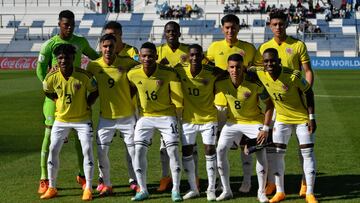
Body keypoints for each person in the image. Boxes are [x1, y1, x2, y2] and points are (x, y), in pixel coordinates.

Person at [36, 9, 99, 194]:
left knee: (81, 140)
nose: (69, 28)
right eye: (66, 25)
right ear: (59, 24)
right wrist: (52, 88)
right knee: (49, 138)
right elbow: (40, 69)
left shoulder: (80, 42)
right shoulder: (50, 45)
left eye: (72, 24)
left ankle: (82, 175)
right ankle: (44, 179)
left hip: (77, 92)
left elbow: (95, 56)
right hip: (56, 96)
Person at [253, 10, 314, 197]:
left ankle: (305, 183)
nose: (278, 27)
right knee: (277, 149)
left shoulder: (297, 45)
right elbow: (257, 72)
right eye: (274, 24)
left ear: (287, 24)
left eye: (281, 24)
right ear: (270, 25)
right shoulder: (264, 47)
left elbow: (308, 71)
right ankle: (274, 185)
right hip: (278, 106)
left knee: (303, 148)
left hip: (298, 101)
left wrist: (305, 89)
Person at [206, 14, 257, 193]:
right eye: (227, 28)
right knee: (220, 146)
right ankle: (221, 183)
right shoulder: (214, 47)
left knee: (245, 145)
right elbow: (207, 68)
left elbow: (257, 70)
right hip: (219, 104)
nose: (230, 31)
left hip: (243, 104)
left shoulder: (249, 48)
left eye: (233, 27)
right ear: (222, 29)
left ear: (238, 28)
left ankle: (247, 181)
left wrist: (251, 71)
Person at [127, 42, 183, 202]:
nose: (147, 59)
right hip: (145, 117)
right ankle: (143, 189)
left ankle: (176, 190)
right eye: (144, 56)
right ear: (140, 57)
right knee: (138, 151)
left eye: (150, 56)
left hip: (167, 116)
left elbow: (179, 80)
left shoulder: (168, 73)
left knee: (172, 151)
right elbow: (130, 88)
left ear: (156, 57)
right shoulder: (132, 73)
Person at [86, 34, 140, 197]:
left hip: (127, 117)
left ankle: (137, 183)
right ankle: (107, 184)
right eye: (105, 46)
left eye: (111, 46)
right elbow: (87, 83)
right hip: (106, 118)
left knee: (133, 152)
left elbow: (143, 74)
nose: (108, 49)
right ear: (100, 47)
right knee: (102, 152)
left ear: (116, 47)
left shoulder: (127, 62)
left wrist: (129, 93)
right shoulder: (93, 65)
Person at [215, 53, 273, 202]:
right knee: (220, 149)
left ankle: (261, 192)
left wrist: (266, 128)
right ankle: (227, 190)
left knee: (260, 152)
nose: (235, 70)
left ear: (243, 68)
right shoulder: (221, 82)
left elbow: (269, 104)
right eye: (232, 67)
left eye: (238, 67)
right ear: (227, 68)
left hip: (254, 122)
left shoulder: (254, 83)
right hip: (232, 122)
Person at [174, 44, 223, 200]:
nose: (195, 58)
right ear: (188, 57)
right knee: (187, 151)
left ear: (203, 57)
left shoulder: (211, 71)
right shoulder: (180, 69)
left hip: (208, 118)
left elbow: (227, 74)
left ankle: (210, 189)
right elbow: (166, 70)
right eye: (192, 55)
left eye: (198, 55)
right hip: (188, 119)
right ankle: (193, 188)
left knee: (209, 150)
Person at [156, 21, 201, 192]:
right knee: (164, 146)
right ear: (164, 33)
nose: (171, 33)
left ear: (179, 33)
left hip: (188, 104)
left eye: (174, 31)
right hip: (165, 106)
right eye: (168, 31)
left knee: (191, 144)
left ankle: (195, 177)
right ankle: (165, 177)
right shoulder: (158, 52)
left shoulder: (189, 51)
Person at [101, 21, 140, 191]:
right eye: (108, 34)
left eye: (115, 34)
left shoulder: (132, 52)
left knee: (131, 148)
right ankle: (103, 180)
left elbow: (139, 75)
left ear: (120, 35)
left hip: (130, 109)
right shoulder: (102, 55)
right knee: (102, 148)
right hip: (108, 111)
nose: (112, 38)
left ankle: (134, 180)